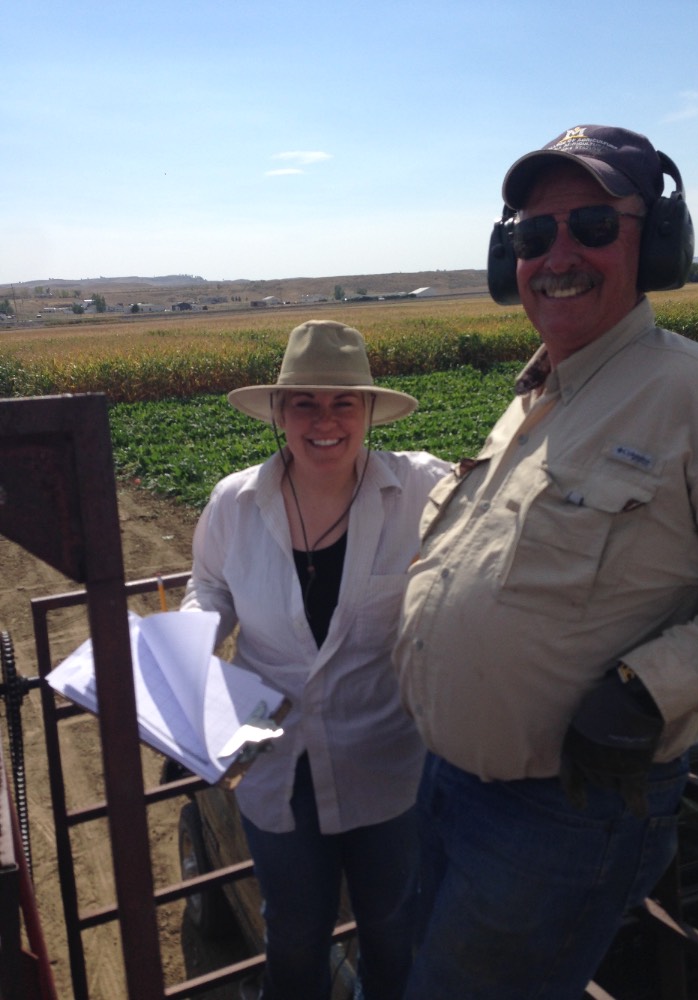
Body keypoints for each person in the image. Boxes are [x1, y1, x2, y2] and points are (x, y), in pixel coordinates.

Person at [393, 124, 698, 999]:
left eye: (593, 224)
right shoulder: (537, 396)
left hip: (561, 817)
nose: (558, 253)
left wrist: (653, 686)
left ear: (658, 242)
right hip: (441, 784)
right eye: (532, 232)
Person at [180, 319, 451, 1000]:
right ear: (278, 412)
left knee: (392, 930)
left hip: (386, 760)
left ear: (367, 412)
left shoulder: (419, 491)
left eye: (342, 403)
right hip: (274, 762)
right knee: (294, 932)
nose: (323, 420)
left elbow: (498, 533)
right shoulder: (235, 503)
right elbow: (208, 586)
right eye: (304, 402)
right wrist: (191, 639)